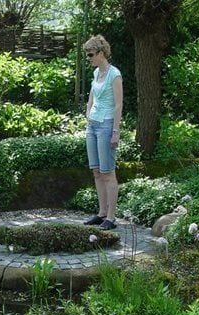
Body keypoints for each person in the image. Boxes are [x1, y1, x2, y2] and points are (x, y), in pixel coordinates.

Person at [82, 34, 123, 230]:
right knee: (97, 171)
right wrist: (88, 111)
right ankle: (102, 213)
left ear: (101, 53)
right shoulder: (96, 73)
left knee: (108, 172)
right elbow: (92, 96)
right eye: (87, 54)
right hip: (92, 125)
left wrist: (115, 131)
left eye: (90, 54)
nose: (88, 58)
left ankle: (111, 218)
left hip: (106, 125)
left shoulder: (114, 75)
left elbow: (118, 105)